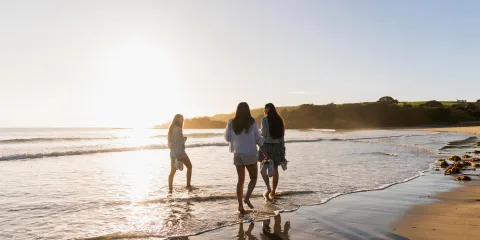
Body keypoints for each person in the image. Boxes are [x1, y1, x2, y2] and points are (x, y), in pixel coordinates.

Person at [225, 102, 266, 214]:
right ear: (248, 110)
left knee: (240, 181)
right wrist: (264, 150)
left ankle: (240, 206)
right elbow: (258, 138)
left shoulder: (231, 122)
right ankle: (247, 198)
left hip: (237, 154)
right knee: (253, 178)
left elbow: (227, 138)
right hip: (250, 153)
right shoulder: (251, 122)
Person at [258, 103, 286, 200]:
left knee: (263, 168)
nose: (263, 110)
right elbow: (282, 137)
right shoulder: (280, 120)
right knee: (275, 170)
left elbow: (264, 134)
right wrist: (283, 150)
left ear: (268, 109)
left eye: (264, 108)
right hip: (277, 147)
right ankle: (273, 192)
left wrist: (257, 136)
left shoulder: (264, 120)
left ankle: (268, 189)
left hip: (266, 146)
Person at [168, 114, 193, 192]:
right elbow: (179, 143)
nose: (182, 120)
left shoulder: (171, 129)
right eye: (180, 119)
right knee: (190, 167)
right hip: (180, 152)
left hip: (172, 152)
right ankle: (188, 185)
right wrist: (179, 155)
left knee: (172, 171)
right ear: (176, 119)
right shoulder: (179, 129)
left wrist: (182, 139)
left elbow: (170, 143)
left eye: (182, 119)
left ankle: (170, 188)